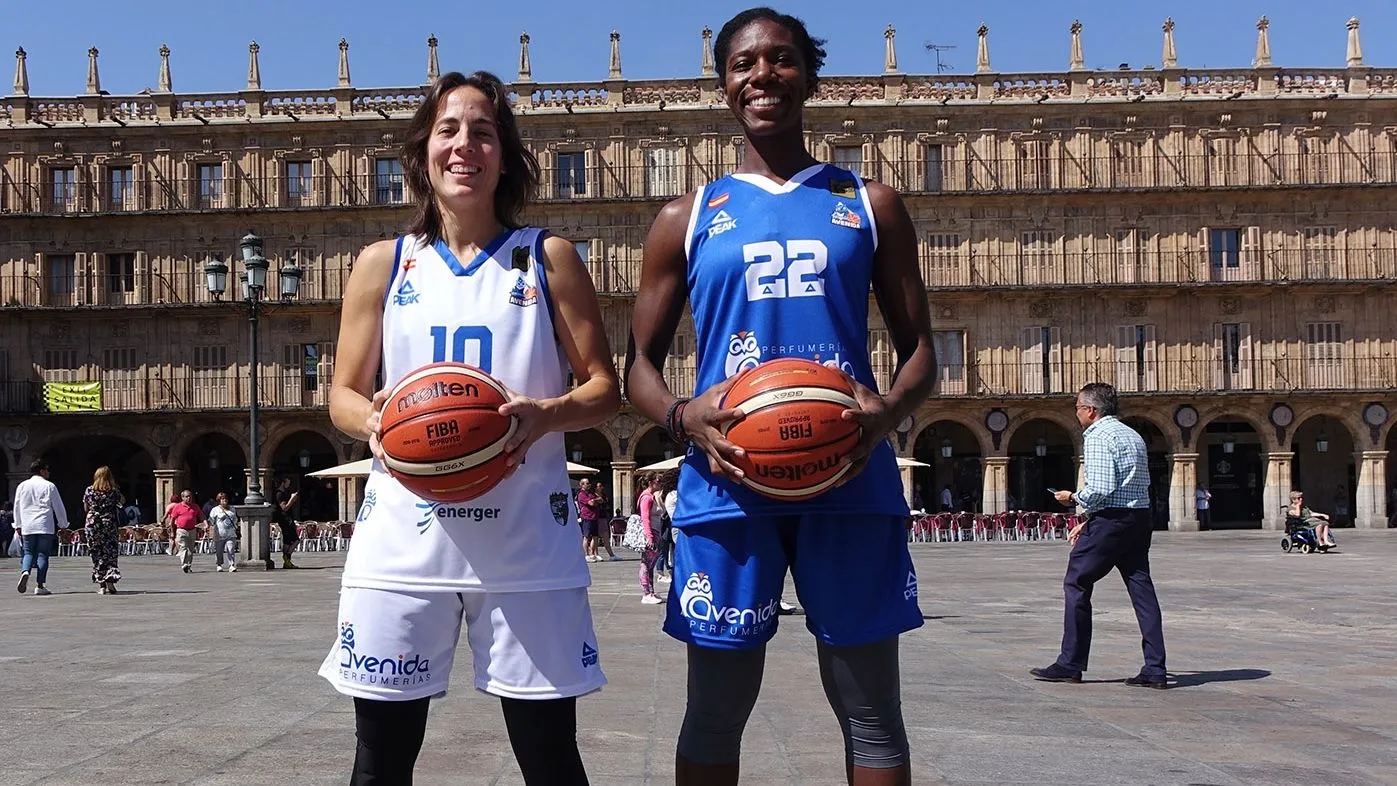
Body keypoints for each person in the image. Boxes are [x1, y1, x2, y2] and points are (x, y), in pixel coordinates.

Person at [626, 9, 937, 784]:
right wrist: (679, 415)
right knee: (714, 708)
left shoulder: (869, 203)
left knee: (870, 713)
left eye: (781, 60)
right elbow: (636, 364)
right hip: (729, 477)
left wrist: (887, 414)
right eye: (743, 64)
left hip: (848, 472)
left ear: (809, 74)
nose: (762, 75)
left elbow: (920, 351)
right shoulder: (685, 218)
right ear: (724, 84)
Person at [321, 69, 620, 785]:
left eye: (482, 132)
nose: (464, 146)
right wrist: (380, 423)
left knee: (551, 761)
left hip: (524, 543)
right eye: (448, 130)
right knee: (379, 763)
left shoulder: (547, 258)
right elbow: (342, 393)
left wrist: (545, 414)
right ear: (423, 150)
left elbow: (604, 387)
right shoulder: (382, 265)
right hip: (403, 541)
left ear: (505, 156)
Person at [1033, 382, 1167, 689]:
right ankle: (1155, 668)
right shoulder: (1133, 435)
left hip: (1112, 523)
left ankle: (1070, 663)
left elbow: (1102, 489)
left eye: (1078, 407)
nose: (1077, 413)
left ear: (1091, 411)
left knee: (1077, 582)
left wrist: (1075, 498)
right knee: (1142, 590)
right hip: (1139, 519)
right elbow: (1130, 487)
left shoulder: (1097, 436)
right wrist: (1090, 520)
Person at [14, 459, 70, 595]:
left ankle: (25, 571)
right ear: (42, 471)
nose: (49, 472)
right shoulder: (49, 486)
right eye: (47, 470)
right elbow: (58, 507)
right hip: (44, 525)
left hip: (28, 524)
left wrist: (18, 524)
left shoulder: (22, 486)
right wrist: (63, 525)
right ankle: (40, 585)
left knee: (28, 552)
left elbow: (17, 506)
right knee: (42, 555)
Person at [82, 465, 124, 595]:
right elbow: (122, 503)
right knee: (110, 553)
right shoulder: (113, 491)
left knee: (97, 554)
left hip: (93, 524)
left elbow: (86, 508)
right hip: (109, 524)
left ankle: (102, 585)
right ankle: (110, 580)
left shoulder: (89, 490)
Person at [637, 474, 663, 604]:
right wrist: (649, 537)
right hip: (651, 532)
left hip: (655, 531)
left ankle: (650, 591)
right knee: (646, 563)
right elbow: (645, 518)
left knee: (650, 564)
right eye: (658, 481)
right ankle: (646, 593)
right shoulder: (646, 497)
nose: (660, 483)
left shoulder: (651, 496)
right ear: (651, 483)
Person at [164, 489, 204, 574]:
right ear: (182, 497)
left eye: (190, 496)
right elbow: (172, 519)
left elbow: (201, 515)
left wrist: (205, 523)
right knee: (183, 547)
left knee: (190, 549)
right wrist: (172, 531)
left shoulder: (195, 506)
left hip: (192, 530)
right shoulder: (177, 507)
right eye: (187, 496)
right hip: (181, 530)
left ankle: (188, 565)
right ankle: (184, 564)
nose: (189, 498)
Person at [273, 477, 301, 569]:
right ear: (282, 483)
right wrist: (292, 499)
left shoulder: (284, 493)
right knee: (295, 540)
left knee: (288, 541)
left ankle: (287, 561)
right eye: (287, 483)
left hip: (288, 519)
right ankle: (286, 557)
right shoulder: (279, 494)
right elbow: (284, 508)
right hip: (285, 520)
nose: (289, 485)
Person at [209, 492, 240, 572]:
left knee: (231, 549)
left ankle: (231, 565)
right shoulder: (215, 510)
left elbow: (235, 519)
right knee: (219, 551)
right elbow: (211, 521)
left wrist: (236, 525)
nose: (224, 500)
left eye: (225, 498)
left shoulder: (232, 508)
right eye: (222, 499)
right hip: (219, 534)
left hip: (231, 533)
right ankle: (219, 564)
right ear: (219, 500)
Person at [576, 477, 602, 562]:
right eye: (587, 483)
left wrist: (594, 500)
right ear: (582, 485)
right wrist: (595, 501)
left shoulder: (591, 493)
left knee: (595, 536)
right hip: (586, 517)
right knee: (586, 536)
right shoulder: (581, 494)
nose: (589, 485)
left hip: (594, 516)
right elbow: (591, 503)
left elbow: (601, 500)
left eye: (589, 483)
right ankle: (586, 555)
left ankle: (592, 553)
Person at [593, 482, 619, 561]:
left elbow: (606, 504)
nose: (601, 487)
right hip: (596, 517)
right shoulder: (592, 495)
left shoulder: (604, 496)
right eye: (599, 486)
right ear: (596, 487)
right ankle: (595, 554)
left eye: (601, 486)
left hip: (603, 517)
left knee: (605, 536)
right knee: (595, 537)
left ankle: (611, 554)